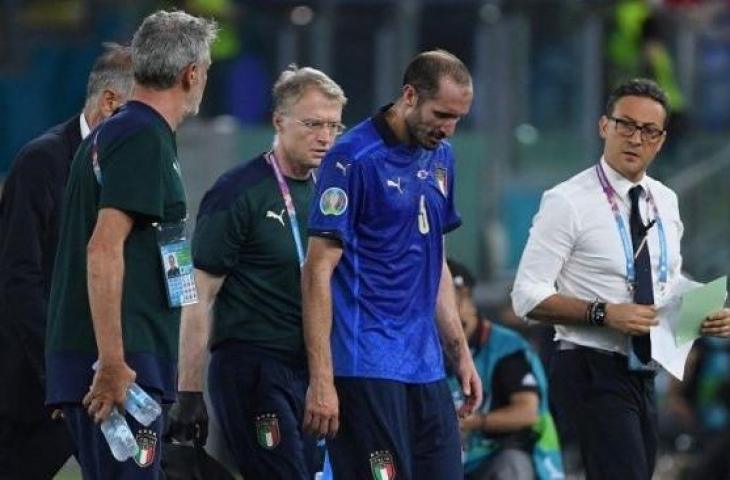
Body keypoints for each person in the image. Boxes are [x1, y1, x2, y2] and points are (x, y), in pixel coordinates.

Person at [511, 78, 730, 479]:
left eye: (648, 131)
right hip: (589, 365)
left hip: (645, 369)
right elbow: (525, 296)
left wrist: (704, 314)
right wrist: (603, 313)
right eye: (625, 125)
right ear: (603, 126)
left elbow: (665, 285)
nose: (635, 139)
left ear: (661, 141)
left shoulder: (665, 200)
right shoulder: (566, 200)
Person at [44, 10, 217, 479]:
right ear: (192, 73)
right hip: (124, 366)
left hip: (126, 358)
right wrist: (112, 363)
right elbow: (102, 250)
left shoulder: (121, 133)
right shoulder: (140, 136)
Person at [302, 49, 482, 480]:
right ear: (409, 96)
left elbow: (432, 256)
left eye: (458, 118)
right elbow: (316, 270)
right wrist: (322, 379)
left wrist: (459, 352)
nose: (449, 129)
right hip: (365, 364)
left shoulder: (442, 156)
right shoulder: (352, 159)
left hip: (425, 367)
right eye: (442, 114)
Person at [165, 64, 346, 479]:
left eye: (334, 127)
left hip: (315, 367)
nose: (325, 137)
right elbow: (198, 295)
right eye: (313, 124)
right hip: (254, 366)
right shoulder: (238, 191)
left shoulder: (332, 193)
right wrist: (189, 388)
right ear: (278, 121)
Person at [0, 43, 133, 479]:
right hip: (35, 386)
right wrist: (56, 374)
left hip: (107, 378)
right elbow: (18, 278)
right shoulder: (42, 161)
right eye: (143, 113)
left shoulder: (137, 169)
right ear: (110, 102)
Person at [446, 259, 564, 480]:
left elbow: (527, 412)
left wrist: (474, 422)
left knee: (512, 466)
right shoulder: (422, 346)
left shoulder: (505, 348)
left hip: (493, 456)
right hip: (444, 458)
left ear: (462, 295)